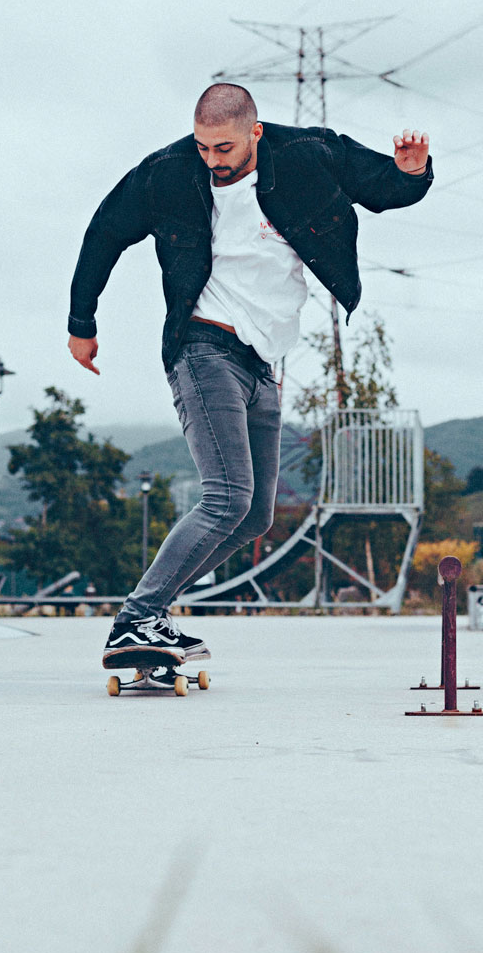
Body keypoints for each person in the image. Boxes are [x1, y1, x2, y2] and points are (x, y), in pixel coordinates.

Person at [67, 82, 432, 668]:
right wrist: (81, 320)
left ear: (255, 134)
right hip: (203, 347)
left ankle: (151, 616)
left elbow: (382, 186)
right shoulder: (167, 172)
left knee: (255, 513)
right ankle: (137, 619)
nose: (213, 160)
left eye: (225, 149)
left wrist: (412, 175)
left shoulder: (309, 154)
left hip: (262, 365)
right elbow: (105, 230)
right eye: (204, 147)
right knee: (226, 497)